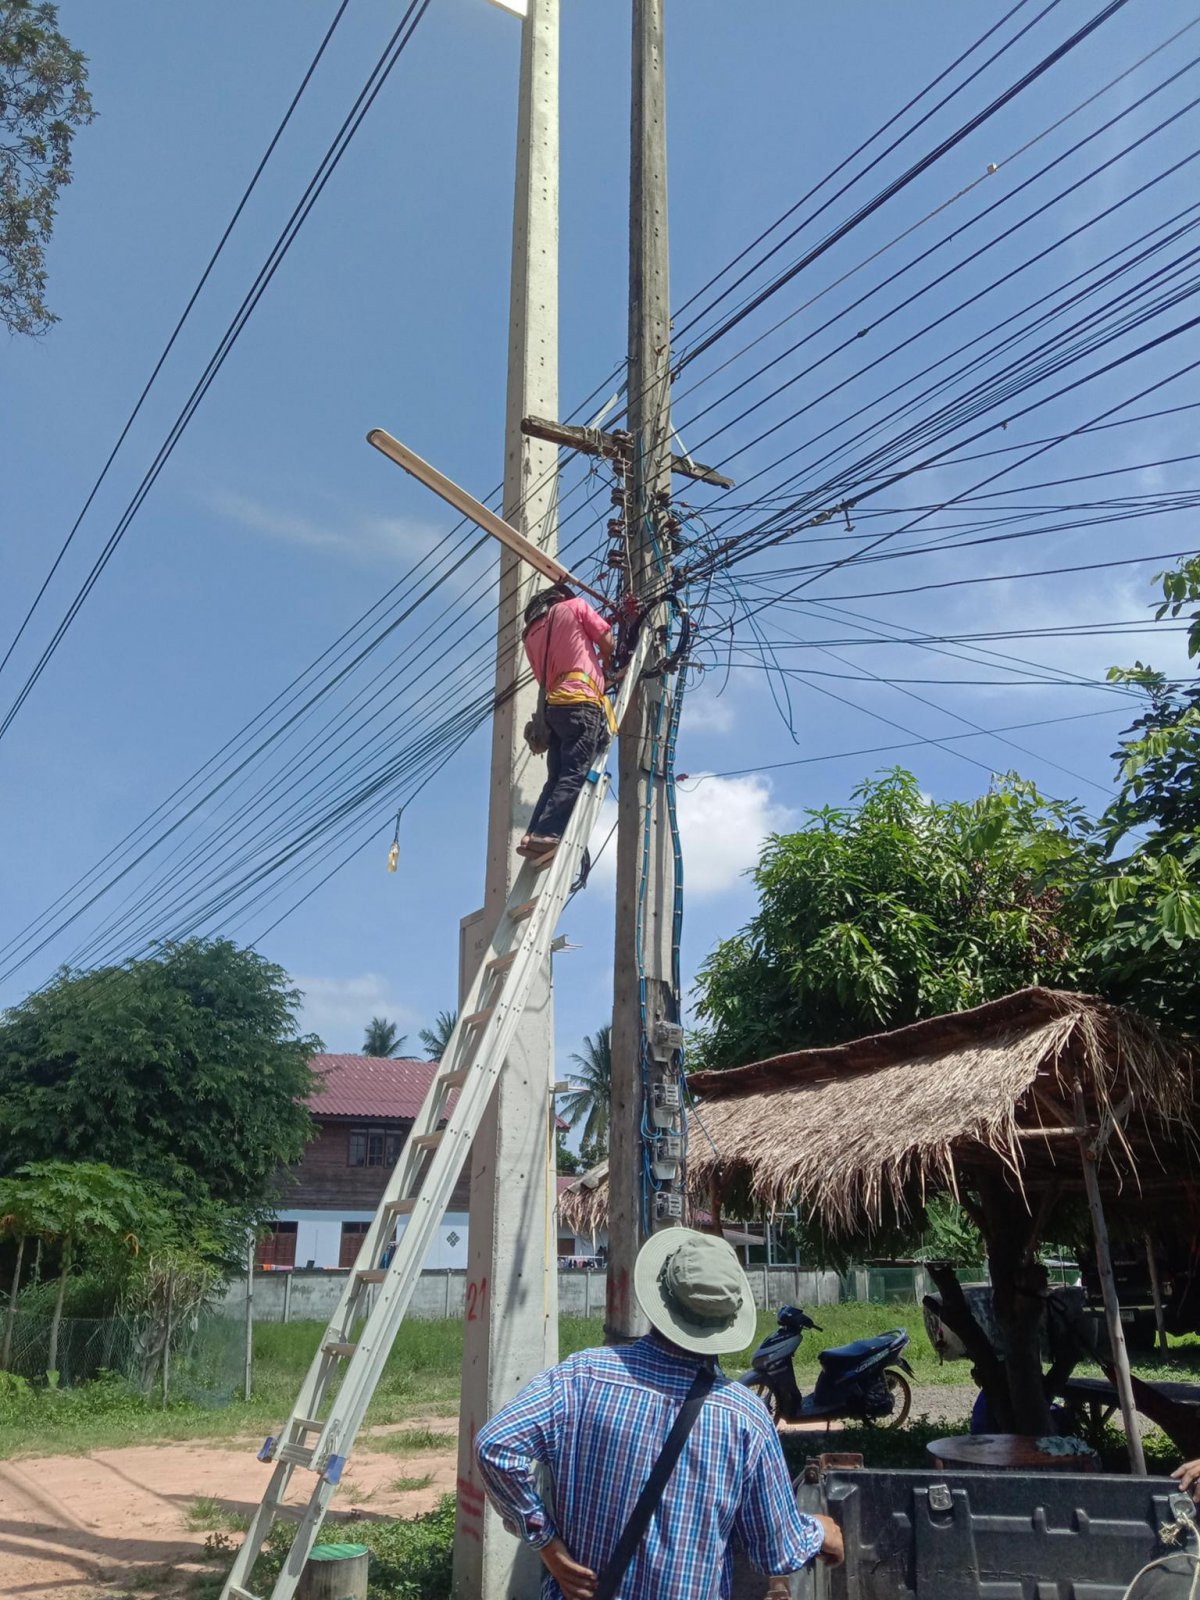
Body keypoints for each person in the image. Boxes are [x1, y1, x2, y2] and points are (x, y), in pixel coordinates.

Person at [476, 1227, 844, 1600]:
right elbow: (775, 1554)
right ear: (727, 1319)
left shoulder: (583, 1376)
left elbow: (495, 1446)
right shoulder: (744, 1416)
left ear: (659, 1297)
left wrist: (546, 1542)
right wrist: (819, 1529)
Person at [519, 585, 616, 860]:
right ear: (559, 598)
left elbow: (544, 677)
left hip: (555, 708)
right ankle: (547, 833)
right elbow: (607, 639)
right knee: (575, 772)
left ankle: (532, 835)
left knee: (556, 777)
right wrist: (608, 659)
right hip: (582, 701)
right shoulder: (575, 606)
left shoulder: (530, 635)